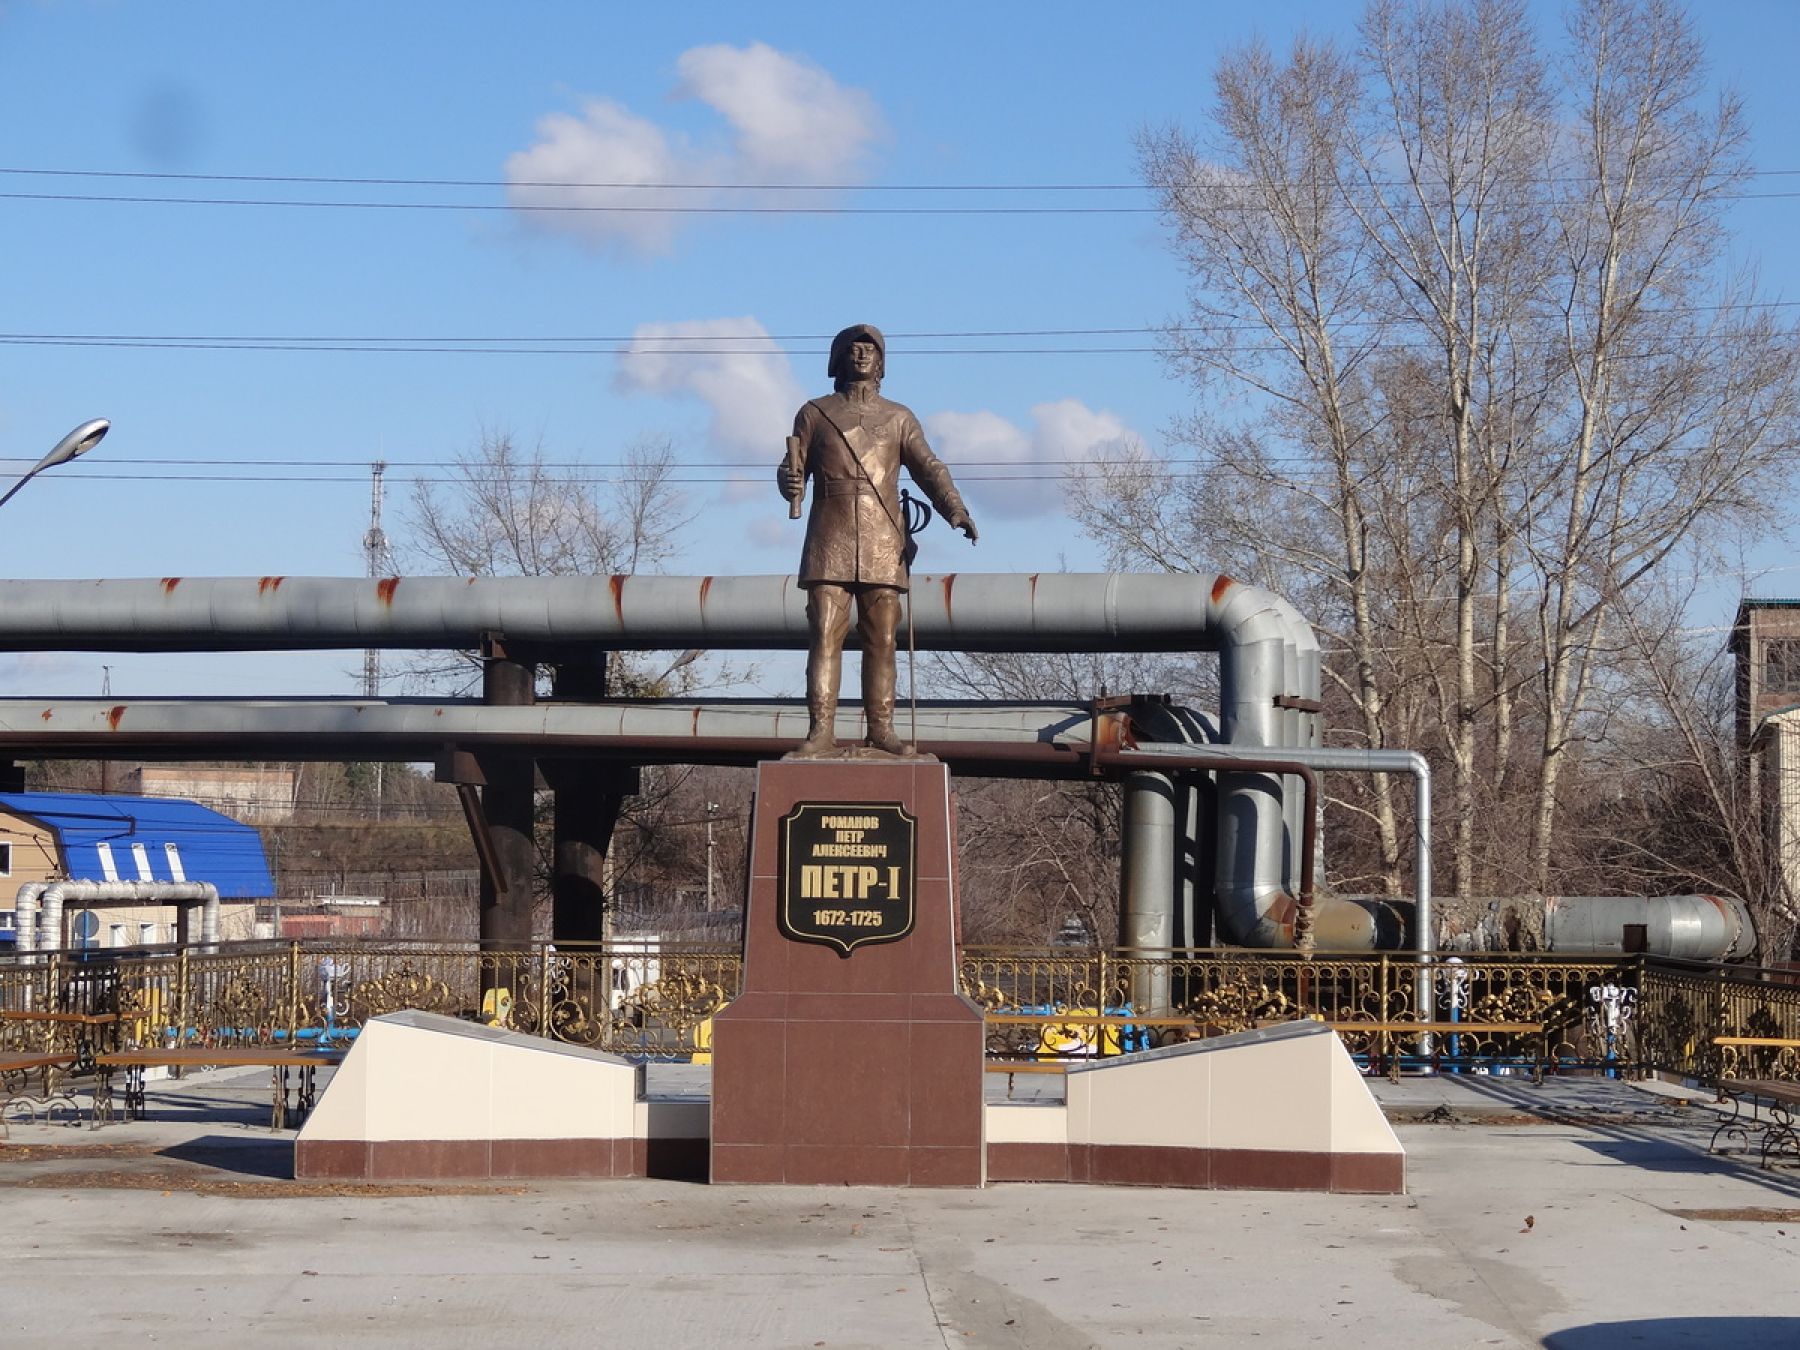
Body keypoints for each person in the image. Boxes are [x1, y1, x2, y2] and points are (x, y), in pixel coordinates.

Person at [777, 323, 978, 755]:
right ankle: (821, 730)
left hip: (883, 537)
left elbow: (929, 467)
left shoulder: (899, 417)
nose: (863, 354)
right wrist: (789, 480)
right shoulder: (815, 412)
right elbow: (790, 470)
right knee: (825, 634)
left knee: (882, 638)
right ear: (839, 358)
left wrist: (955, 509)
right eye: (854, 348)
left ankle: (882, 729)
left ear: (882, 361)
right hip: (829, 535)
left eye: (871, 348)